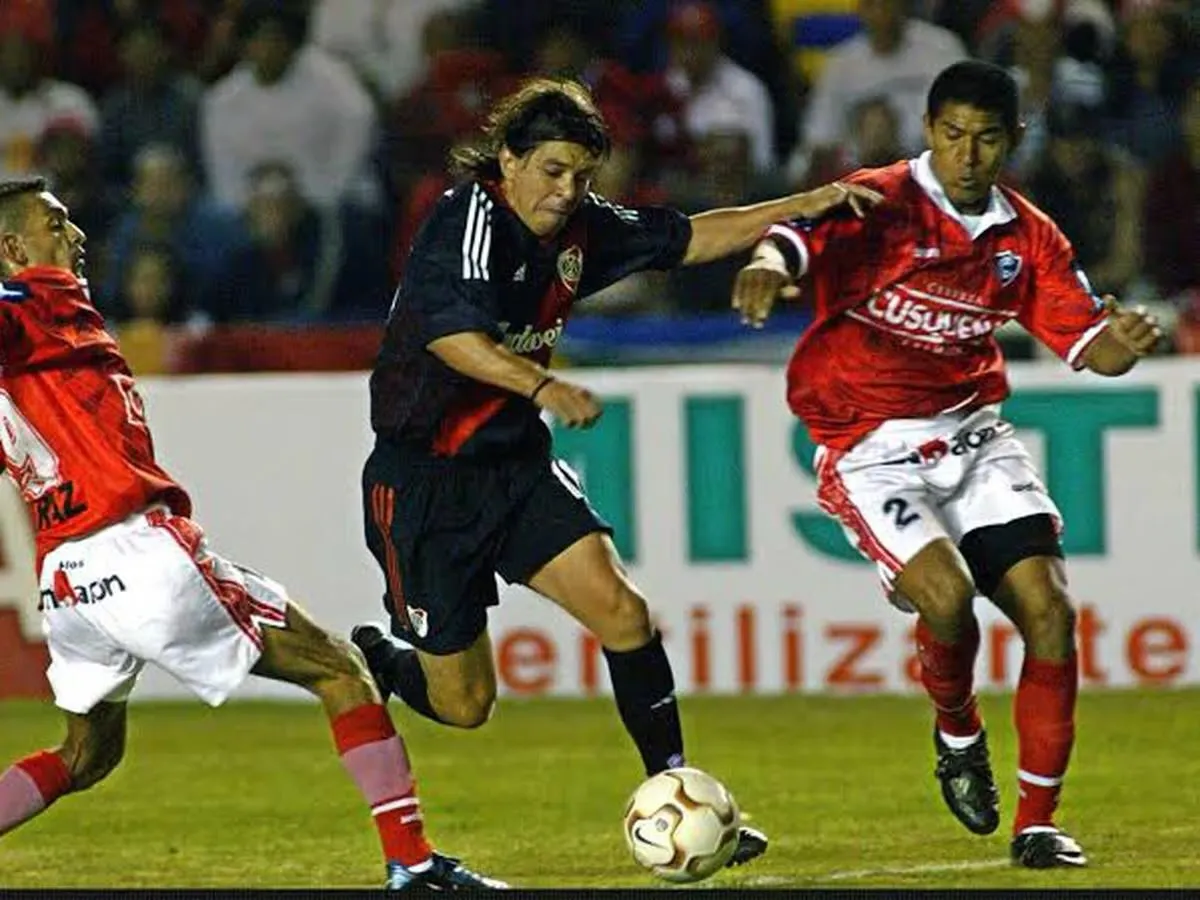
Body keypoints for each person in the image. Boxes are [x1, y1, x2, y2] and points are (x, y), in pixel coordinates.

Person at [348, 76, 882, 868]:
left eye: (582, 175)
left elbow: (690, 236)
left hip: (513, 466)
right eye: (552, 170)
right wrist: (543, 385)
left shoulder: (582, 228)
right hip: (425, 482)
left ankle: (677, 788)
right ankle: (382, 659)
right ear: (508, 160)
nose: (568, 191)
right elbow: (448, 339)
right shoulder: (466, 221)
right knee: (465, 705)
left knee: (625, 614)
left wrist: (801, 205)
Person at [0, 177, 504, 892]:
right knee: (342, 669)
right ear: (13, 248)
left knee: (86, 756)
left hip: (67, 582)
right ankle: (413, 864)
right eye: (55, 223)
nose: (75, 235)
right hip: (133, 550)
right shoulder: (38, 298)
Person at [731, 59, 1161, 869]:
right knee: (948, 597)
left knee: (1050, 612)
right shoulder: (883, 198)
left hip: (970, 437)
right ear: (929, 129)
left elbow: (1093, 348)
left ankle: (1037, 824)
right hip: (869, 446)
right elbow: (797, 235)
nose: (967, 154)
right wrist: (768, 265)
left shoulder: (1027, 236)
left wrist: (1127, 342)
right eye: (953, 134)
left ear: (1013, 140)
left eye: (986, 139)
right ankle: (958, 731)